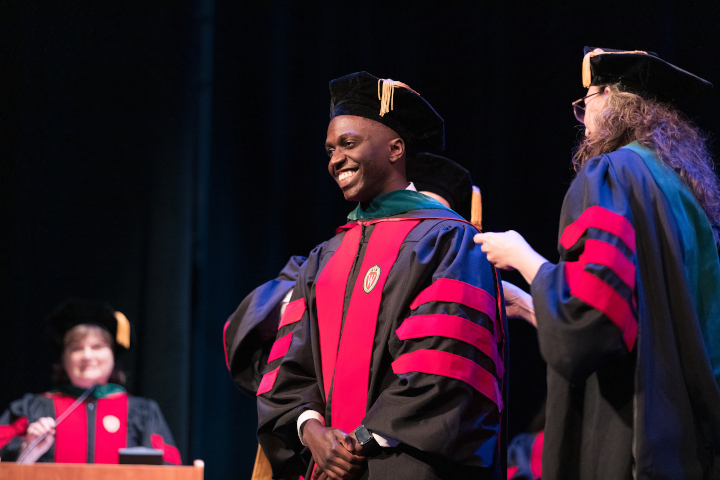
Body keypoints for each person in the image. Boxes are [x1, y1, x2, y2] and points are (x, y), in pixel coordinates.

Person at [475, 47, 720, 479]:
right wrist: (529, 303)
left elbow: (590, 323)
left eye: (585, 101)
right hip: (690, 440)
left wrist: (525, 259)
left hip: (631, 439)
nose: (582, 116)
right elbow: (634, 321)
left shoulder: (610, 175)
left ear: (608, 96)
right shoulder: (684, 193)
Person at [256, 72, 506, 480]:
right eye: (330, 149)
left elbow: (445, 365)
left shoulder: (448, 241)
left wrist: (360, 442)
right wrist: (312, 431)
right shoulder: (324, 257)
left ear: (395, 149)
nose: (336, 158)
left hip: (410, 468)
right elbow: (290, 368)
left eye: (349, 144)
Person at [0, 298, 181, 465]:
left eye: (97, 346)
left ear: (113, 355)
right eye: (76, 348)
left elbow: (169, 471)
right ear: (64, 358)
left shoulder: (142, 412)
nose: (87, 356)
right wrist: (28, 451)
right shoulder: (31, 408)